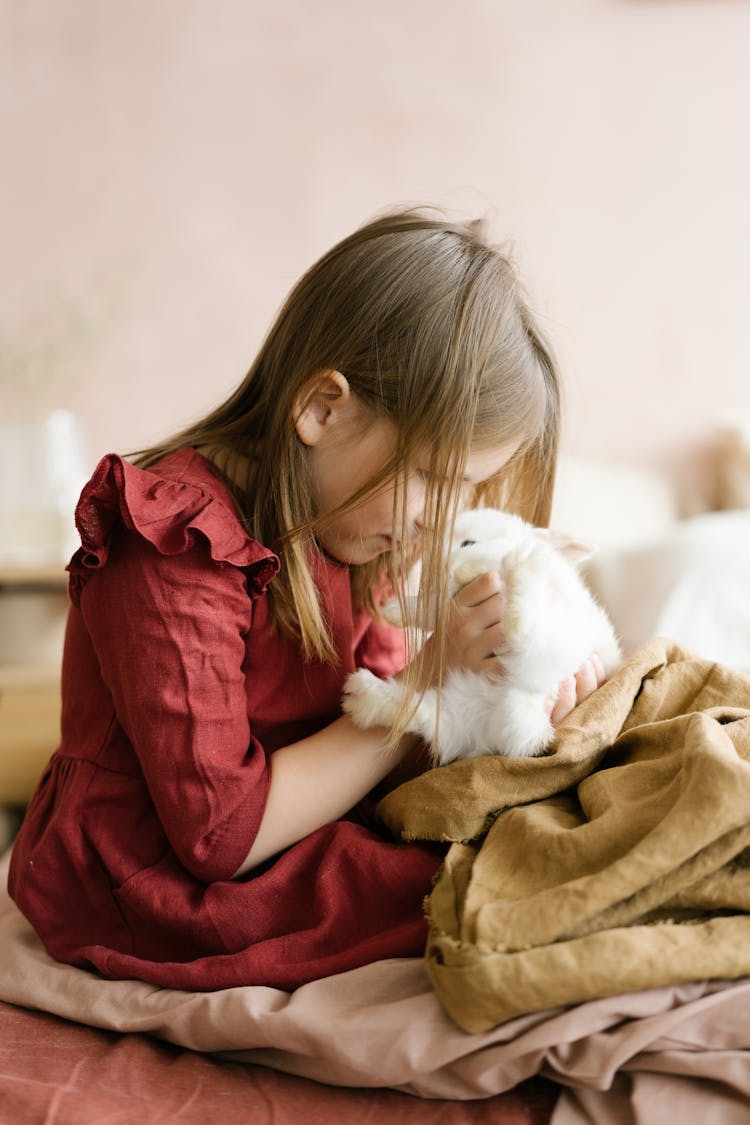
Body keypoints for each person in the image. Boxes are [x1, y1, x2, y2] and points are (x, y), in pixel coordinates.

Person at [8, 208, 605, 992]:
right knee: (515, 888)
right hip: (157, 881)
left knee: (573, 810)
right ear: (323, 409)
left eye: (466, 490)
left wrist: (502, 694)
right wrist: (422, 689)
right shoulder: (170, 544)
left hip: (309, 830)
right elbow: (219, 834)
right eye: (433, 476)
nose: (441, 517)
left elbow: (385, 752)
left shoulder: (356, 531)